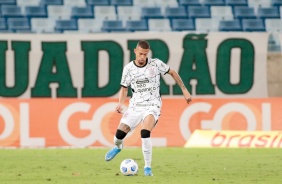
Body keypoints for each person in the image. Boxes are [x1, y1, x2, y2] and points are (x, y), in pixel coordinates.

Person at [105, 40, 192, 176]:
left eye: (145, 54)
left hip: (152, 105)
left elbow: (173, 73)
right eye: (140, 54)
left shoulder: (155, 64)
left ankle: (147, 168)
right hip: (135, 106)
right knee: (118, 137)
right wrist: (121, 103)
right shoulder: (128, 69)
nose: (142, 57)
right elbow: (124, 88)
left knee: (145, 133)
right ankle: (118, 147)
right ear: (135, 51)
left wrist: (184, 90)